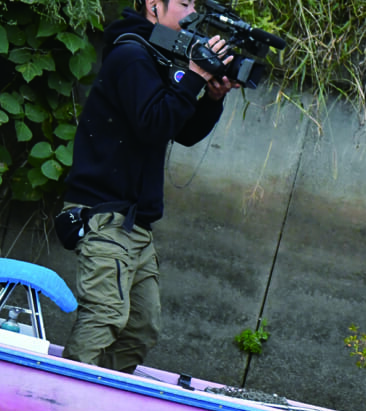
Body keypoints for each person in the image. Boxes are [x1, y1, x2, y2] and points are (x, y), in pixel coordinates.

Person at [58, 0, 237, 373]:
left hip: (135, 223)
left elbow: (180, 131)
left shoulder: (159, 59)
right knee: (105, 317)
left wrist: (211, 98)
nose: (192, 12)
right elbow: (153, 123)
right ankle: (64, 402)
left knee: (141, 329)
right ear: (154, 5)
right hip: (104, 214)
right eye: (184, 3)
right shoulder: (131, 56)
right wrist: (193, 76)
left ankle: (100, 402)